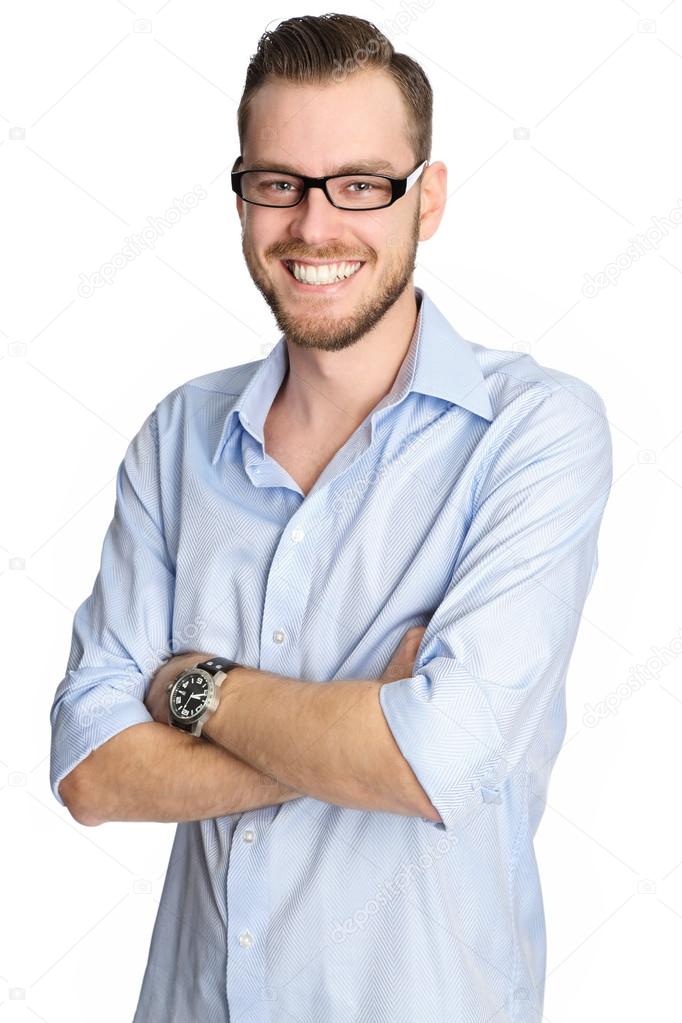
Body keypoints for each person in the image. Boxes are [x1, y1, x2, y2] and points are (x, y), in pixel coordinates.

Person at [49, 14, 613, 1022]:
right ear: (242, 195)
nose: (314, 226)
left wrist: (190, 686)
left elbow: (430, 758)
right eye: (279, 183)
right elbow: (93, 772)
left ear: (424, 200)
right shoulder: (180, 437)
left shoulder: (533, 433)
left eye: (359, 184)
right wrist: (349, 730)